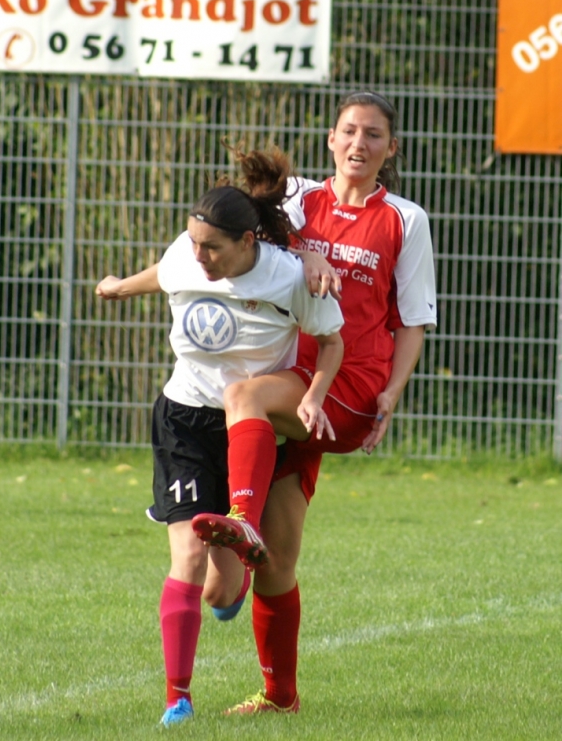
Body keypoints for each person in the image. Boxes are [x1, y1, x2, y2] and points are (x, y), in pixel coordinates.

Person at [192, 90, 438, 716]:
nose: (360, 143)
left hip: (348, 389)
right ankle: (280, 697)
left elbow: (412, 321)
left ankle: (239, 517)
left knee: (242, 395)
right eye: (349, 131)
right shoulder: (299, 199)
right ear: (331, 139)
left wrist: (391, 394)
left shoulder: (405, 219)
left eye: (374, 134)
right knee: (276, 561)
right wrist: (305, 250)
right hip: (295, 382)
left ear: (390, 148)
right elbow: (233, 234)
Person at [95, 148, 344, 727]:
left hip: (246, 429)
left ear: (248, 241)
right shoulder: (187, 256)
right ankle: (177, 699)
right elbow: (166, 272)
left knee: (221, 594)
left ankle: (240, 541)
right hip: (183, 421)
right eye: (193, 242)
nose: (198, 255)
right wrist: (119, 287)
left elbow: (332, 341)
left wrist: (313, 396)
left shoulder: (289, 276)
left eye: (212, 247)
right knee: (186, 556)